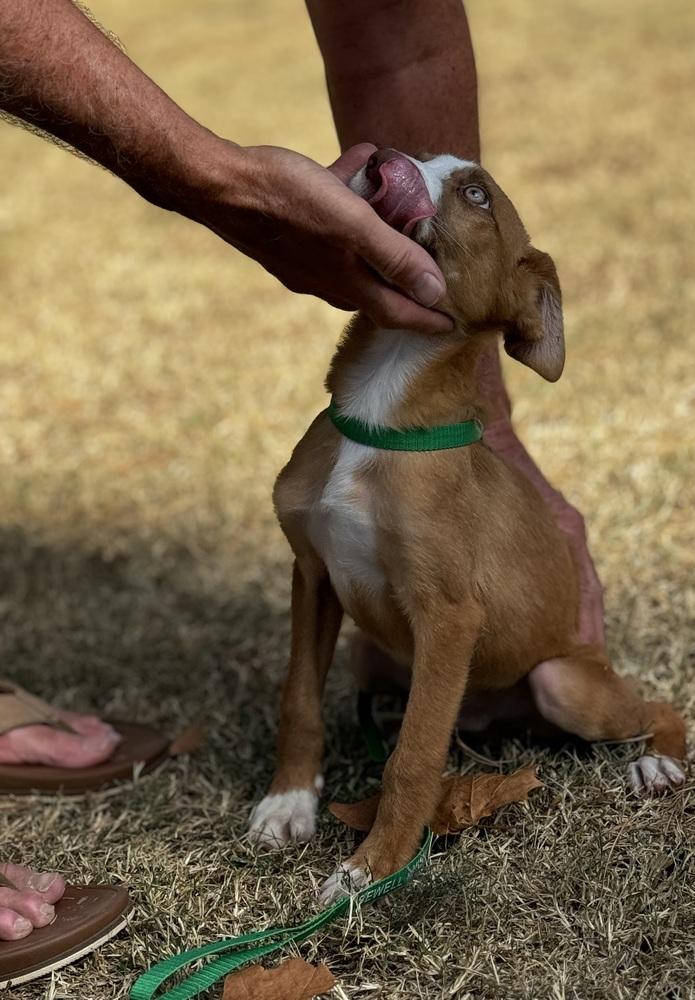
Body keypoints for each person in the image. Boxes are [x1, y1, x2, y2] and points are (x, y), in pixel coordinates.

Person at [0, 0, 604, 972]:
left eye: (474, 193)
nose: (423, 169)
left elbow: (400, 26)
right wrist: (211, 172)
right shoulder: (324, 455)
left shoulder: (471, 363)